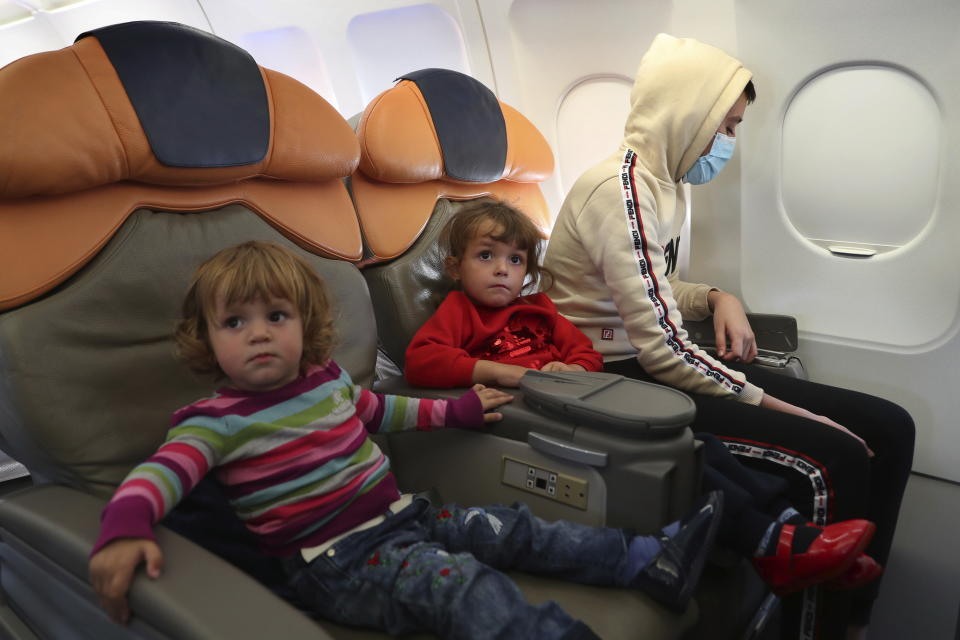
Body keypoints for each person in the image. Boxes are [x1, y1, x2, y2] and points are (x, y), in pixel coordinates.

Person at [88, 240, 726, 640]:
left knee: (513, 527)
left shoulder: (326, 381)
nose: (258, 334)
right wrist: (123, 530)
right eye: (235, 322)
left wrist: (460, 414)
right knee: (461, 585)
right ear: (207, 338)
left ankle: (646, 561)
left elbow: (382, 411)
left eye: (276, 317)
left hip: (405, 515)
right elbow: (156, 476)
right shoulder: (214, 420)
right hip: (333, 563)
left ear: (304, 325)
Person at [541, 33, 915, 639]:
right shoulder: (619, 190)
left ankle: (854, 620)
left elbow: (655, 284)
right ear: (685, 114)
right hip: (610, 376)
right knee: (837, 453)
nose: (730, 144)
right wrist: (775, 402)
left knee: (892, 427)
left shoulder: (663, 185)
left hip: (643, 360)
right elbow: (660, 346)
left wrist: (717, 297)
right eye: (728, 126)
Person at [405, 198, 881, 598]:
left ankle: (793, 532)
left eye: (515, 260)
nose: (502, 271)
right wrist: (506, 373)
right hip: (534, 421)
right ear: (455, 266)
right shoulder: (459, 311)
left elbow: (586, 355)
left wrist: (568, 368)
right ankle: (773, 543)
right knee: (677, 460)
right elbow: (422, 361)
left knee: (701, 444)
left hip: (581, 402)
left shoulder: (540, 309)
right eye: (486, 256)